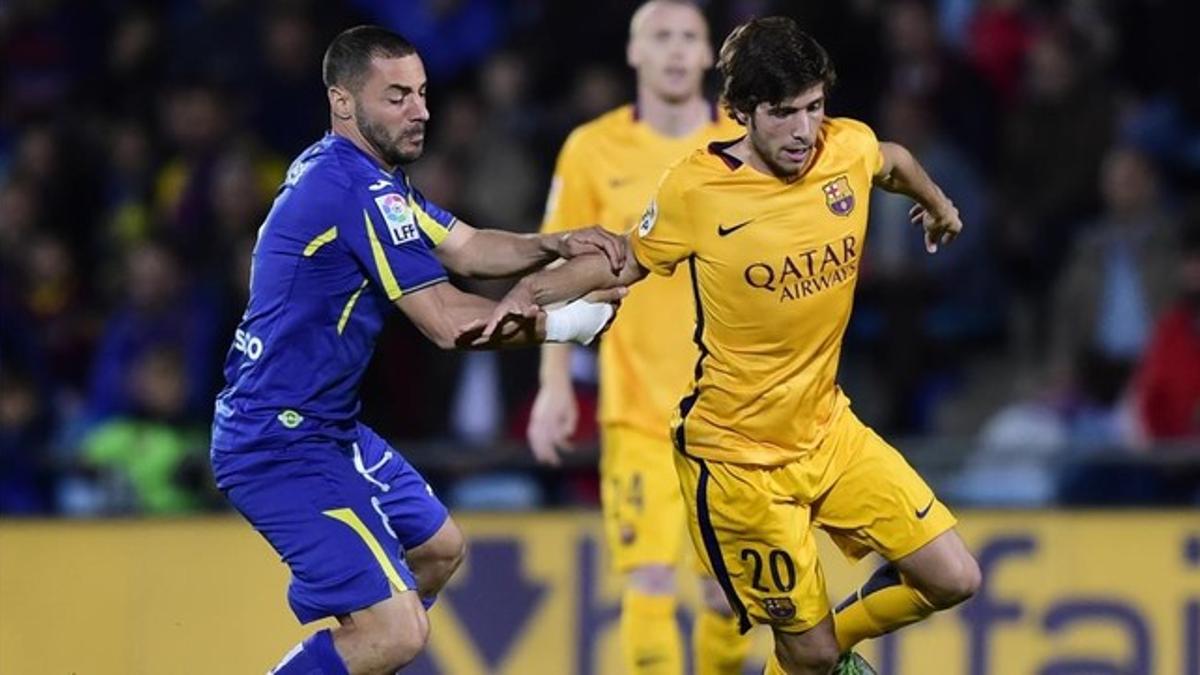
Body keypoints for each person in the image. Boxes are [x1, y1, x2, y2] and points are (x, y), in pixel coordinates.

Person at [482, 17, 981, 675]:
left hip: (830, 430)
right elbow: (624, 261)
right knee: (793, 648)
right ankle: (821, 658)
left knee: (954, 576)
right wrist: (531, 292)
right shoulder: (697, 188)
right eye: (783, 114)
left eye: (813, 108)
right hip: (738, 461)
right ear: (743, 112)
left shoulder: (845, 147)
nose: (804, 131)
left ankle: (833, 655)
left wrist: (937, 202)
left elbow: (890, 158)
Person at [209, 26, 623, 675]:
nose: (421, 110)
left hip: (326, 427)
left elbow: (467, 247)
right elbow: (446, 322)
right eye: (397, 95)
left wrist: (559, 242)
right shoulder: (353, 190)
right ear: (342, 102)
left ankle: (356, 637)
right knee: (399, 633)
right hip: (278, 442)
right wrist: (565, 324)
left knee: (439, 548)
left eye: (423, 93)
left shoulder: (367, 179)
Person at [527, 2, 749, 674]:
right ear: (634, 54)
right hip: (638, 412)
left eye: (688, 37)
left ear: (711, 53)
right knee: (648, 584)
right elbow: (558, 273)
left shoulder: (743, 147)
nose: (676, 50)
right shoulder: (593, 149)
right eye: (660, 37)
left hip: (735, 413)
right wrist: (554, 384)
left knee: (725, 596)